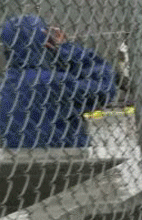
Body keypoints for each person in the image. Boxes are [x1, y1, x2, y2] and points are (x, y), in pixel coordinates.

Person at [1, 15, 116, 148]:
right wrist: (68, 50)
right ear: (46, 42)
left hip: (15, 162)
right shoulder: (55, 82)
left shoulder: (5, 86)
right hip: (67, 160)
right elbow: (105, 89)